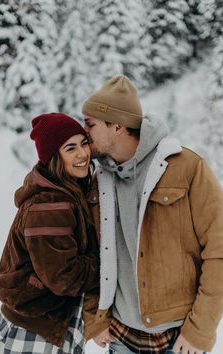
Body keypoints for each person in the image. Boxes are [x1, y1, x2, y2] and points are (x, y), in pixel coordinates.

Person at [81, 75, 223, 354]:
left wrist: (200, 330)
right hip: (120, 338)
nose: (84, 132)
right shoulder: (98, 180)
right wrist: (94, 319)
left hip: (179, 339)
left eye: (90, 124)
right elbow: (89, 253)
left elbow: (219, 250)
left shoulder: (187, 167)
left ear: (118, 127)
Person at [0, 112, 99, 354]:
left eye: (84, 143)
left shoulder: (67, 190)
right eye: (70, 148)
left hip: (43, 323)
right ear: (54, 157)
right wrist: (108, 264)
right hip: (35, 331)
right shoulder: (49, 205)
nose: (82, 153)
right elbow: (64, 277)